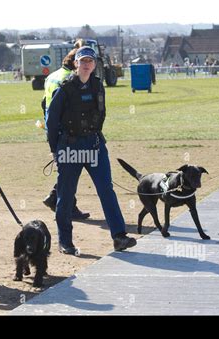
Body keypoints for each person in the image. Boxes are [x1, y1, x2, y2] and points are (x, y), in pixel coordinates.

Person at [46, 46, 137, 255]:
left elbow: (100, 114)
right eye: (83, 61)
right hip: (69, 147)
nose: (86, 65)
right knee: (66, 194)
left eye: (90, 61)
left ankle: (119, 236)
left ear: (95, 64)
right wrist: (55, 150)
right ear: (76, 63)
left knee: (106, 189)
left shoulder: (98, 86)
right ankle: (65, 241)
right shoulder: (65, 88)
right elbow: (52, 121)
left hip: (94, 145)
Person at [41, 47, 90, 220]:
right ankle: (64, 204)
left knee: (67, 170)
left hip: (51, 124)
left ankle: (56, 198)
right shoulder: (68, 79)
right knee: (70, 171)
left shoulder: (52, 76)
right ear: (75, 64)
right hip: (65, 129)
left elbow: (43, 102)